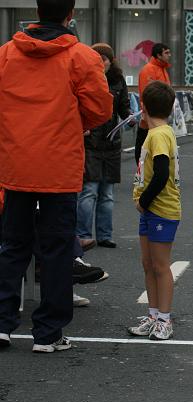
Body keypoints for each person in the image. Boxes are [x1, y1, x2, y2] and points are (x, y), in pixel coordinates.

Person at [0, 0, 113, 353]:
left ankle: (2, 324)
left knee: (11, 247)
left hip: (15, 163)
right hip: (59, 166)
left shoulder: (6, 53)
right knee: (56, 249)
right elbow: (99, 109)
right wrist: (70, 122)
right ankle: (48, 334)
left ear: (37, 10)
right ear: (70, 15)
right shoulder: (81, 56)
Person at [127, 81, 181, 341]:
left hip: (161, 210)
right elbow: (143, 157)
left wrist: (143, 201)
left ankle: (164, 319)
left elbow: (160, 174)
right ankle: (152, 315)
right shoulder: (156, 131)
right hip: (151, 211)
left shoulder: (160, 135)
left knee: (160, 266)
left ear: (144, 107)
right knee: (148, 264)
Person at [77, 43, 132, 250]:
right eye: (97, 59)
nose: (101, 63)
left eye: (104, 60)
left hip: (111, 141)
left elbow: (124, 107)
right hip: (90, 141)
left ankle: (105, 235)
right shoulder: (85, 77)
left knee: (107, 193)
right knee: (89, 190)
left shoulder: (118, 80)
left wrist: (131, 118)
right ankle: (83, 234)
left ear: (111, 61)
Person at [135, 42, 171, 164]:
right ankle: (142, 168)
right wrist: (147, 112)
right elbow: (147, 94)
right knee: (145, 145)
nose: (169, 55)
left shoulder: (163, 69)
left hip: (161, 114)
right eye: (166, 53)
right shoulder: (148, 70)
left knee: (158, 147)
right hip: (152, 115)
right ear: (158, 55)